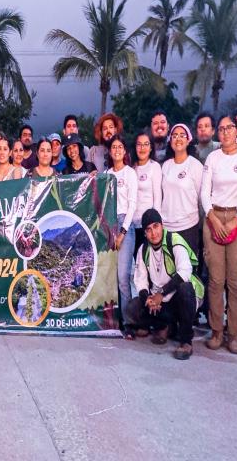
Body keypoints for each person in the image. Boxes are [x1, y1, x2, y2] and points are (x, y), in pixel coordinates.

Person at [200, 113, 237, 354]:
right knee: (216, 280)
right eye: (222, 129)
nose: (225, 132)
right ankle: (216, 330)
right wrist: (213, 218)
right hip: (213, 217)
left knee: (235, 281)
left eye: (229, 128)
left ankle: (234, 334)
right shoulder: (213, 158)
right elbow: (205, 192)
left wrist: (236, 220)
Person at [127, 209, 203, 360]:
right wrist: (148, 299)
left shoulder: (174, 241)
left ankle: (186, 341)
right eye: (148, 229)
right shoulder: (143, 249)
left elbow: (185, 272)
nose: (153, 233)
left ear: (162, 226)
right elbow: (140, 280)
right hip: (159, 301)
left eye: (156, 226)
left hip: (178, 298)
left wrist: (161, 294)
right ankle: (164, 326)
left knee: (186, 289)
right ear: (145, 233)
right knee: (132, 308)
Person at [105, 135, 138, 331]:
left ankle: (129, 322)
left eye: (120, 147)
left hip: (125, 224)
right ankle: (112, 320)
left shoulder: (130, 173)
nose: (117, 150)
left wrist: (122, 232)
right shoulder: (107, 174)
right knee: (109, 276)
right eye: (113, 147)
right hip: (108, 224)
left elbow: (132, 205)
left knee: (123, 277)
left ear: (124, 151)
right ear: (110, 152)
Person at [160, 124, 204, 255]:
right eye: (174, 136)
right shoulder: (165, 166)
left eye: (182, 135)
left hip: (188, 226)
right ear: (170, 141)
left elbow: (201, 198)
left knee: (187, 266)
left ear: (188, 140)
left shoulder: (195, 166)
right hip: (167, 227)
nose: (178, 139)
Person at [133, 132, 162, 253]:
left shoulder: (154, 167)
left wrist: (155, 224)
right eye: (139, 144)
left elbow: (157, 197)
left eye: (146, 144)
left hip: (147, 225)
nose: (142, 148)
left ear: (151, 148)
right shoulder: (130, 167)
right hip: (131, 225)